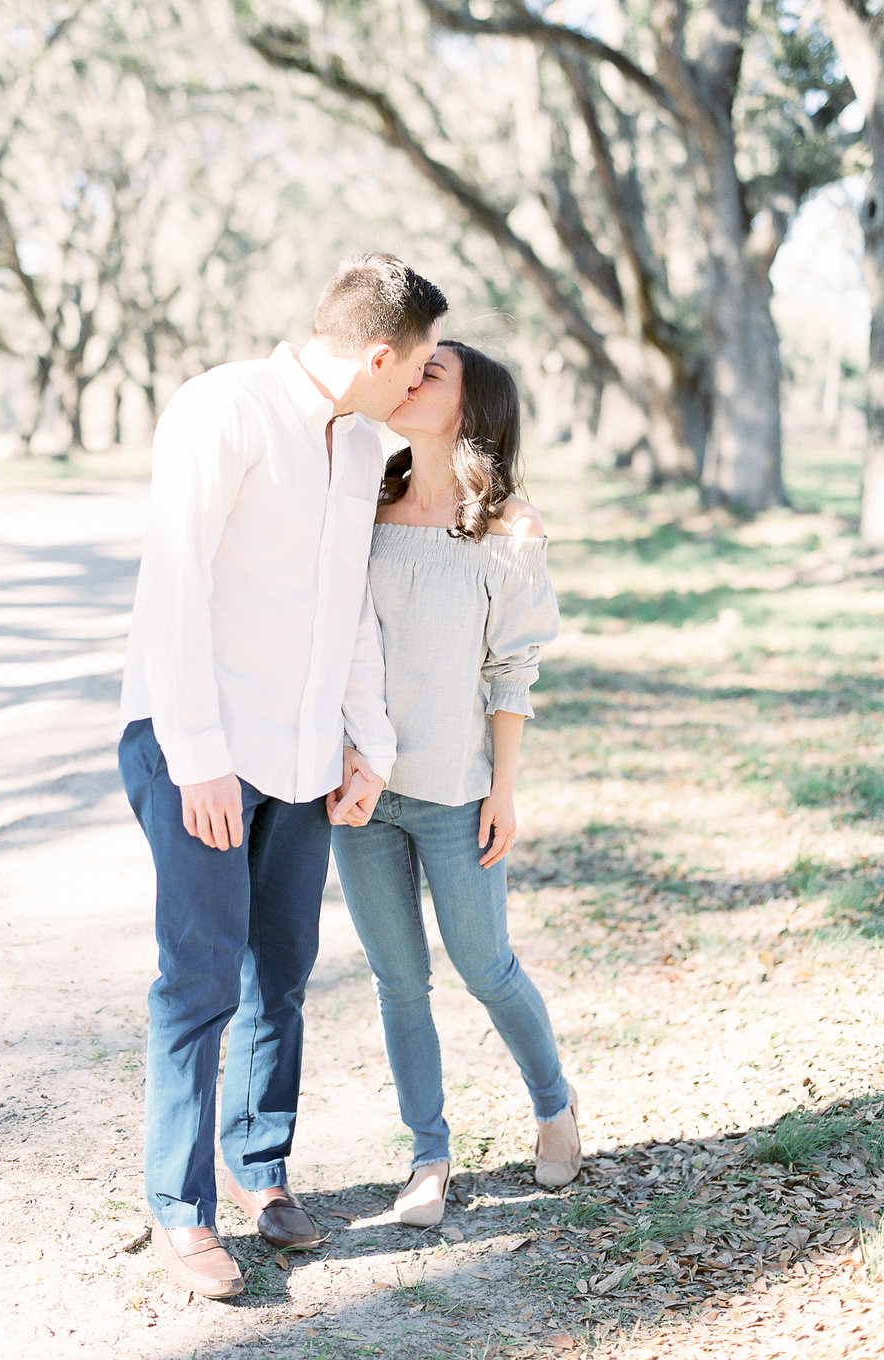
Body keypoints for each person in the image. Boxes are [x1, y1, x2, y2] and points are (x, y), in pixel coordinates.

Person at [117, 254, 448, 1297]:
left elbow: (346, 606)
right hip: (198, 745)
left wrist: (367, 744)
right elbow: (175, 585)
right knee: (202, 974)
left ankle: (261, 1173)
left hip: (304, 756)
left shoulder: (357, 445)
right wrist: (199, 758)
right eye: (424, 362)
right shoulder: (224, 408)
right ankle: (181, 1209)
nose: (425, 384)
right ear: (382, 353)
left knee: (282, 973)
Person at [329, 340, 580, 1229]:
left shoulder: (509, 527)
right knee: (399, 983)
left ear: (472, 409)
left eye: (431, 374)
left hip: (456, 792)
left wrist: (504, 791)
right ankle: (428, 1157)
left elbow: (513, 670)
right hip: (360, 794)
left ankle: (554, 1105)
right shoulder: (365, 506)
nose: (408, 378)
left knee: (485, 965)